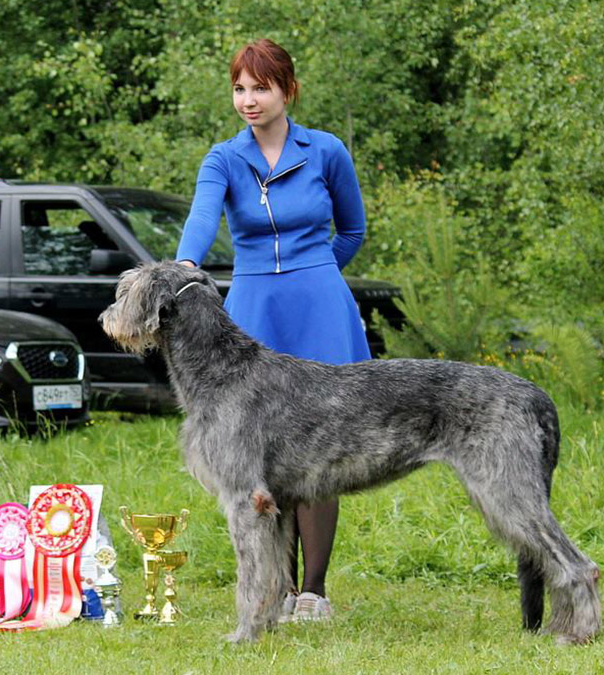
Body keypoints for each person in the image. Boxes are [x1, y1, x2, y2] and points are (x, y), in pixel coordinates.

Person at [176, 38, 370, 622]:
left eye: (260, 87)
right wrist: (185, 268)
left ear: (287, 89)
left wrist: (317, 276)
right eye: (239, 87)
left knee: (321, 452)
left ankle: (313, 591)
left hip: (321, 308)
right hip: (253, 306)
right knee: (261, 455)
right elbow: (202, 219)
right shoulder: (223, 159)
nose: (248, 99)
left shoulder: (327, 150)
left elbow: (353, 230)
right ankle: (276, 590)